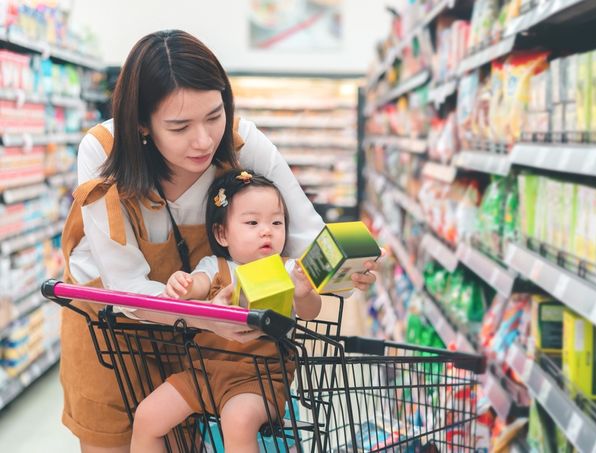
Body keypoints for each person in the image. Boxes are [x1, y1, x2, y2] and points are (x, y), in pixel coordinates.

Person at [59, 29, 377, 453]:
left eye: (214, 115)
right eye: (179, 126)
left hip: (206, 345)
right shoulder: (103, 153)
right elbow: (126, 286)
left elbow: (307, 235)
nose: (204, 140)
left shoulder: (244, 144)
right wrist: (204, 314)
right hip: (114, 330)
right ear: (142, 124)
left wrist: (345, 268)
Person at [131, 169, 321, 453]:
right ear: (222, 233)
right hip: (203, 372)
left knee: (238, 421)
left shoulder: (287, 269)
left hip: (260, 378)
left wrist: (304, 292)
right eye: (252, 222)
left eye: (277, 222)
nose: (266, 230)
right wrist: (180, 283)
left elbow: (310, 312)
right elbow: (194, 287)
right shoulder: (214, 267)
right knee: (147, 416)